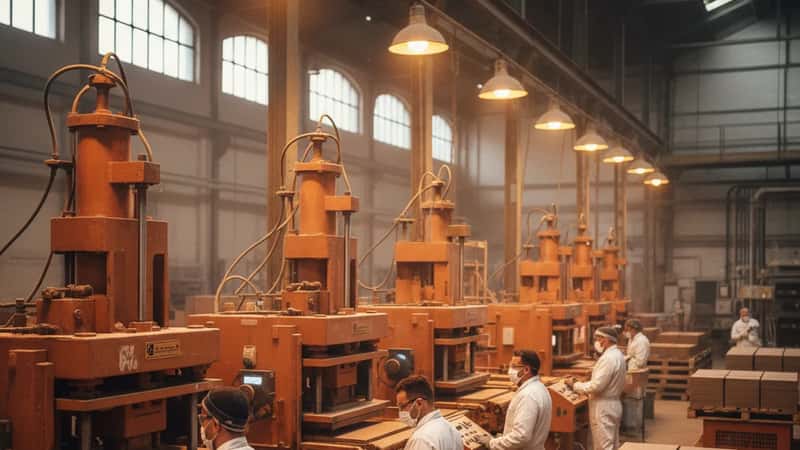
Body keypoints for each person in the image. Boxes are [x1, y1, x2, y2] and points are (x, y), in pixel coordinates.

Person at [566, 327, 626, 450]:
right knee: (613, 445)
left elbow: (597, 386)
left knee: (603, 446)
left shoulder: (608, 359)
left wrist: (575, 385)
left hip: (603, 407)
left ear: (606, 340)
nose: (597, 342)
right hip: (613, 404)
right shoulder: (618, 354)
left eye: (598, 339)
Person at [483, 350, 552, 450]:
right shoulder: (540, 388)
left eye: (514, 366)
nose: (510, 370)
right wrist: (502, 438)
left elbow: (521, 436)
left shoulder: (528, 396)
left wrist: (492, 443)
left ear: (526, 370)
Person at [395, 375, 462, 450]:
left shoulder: (421, 439)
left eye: (402, 406)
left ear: (419, 403)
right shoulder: (451, 428)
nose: (400, 412)